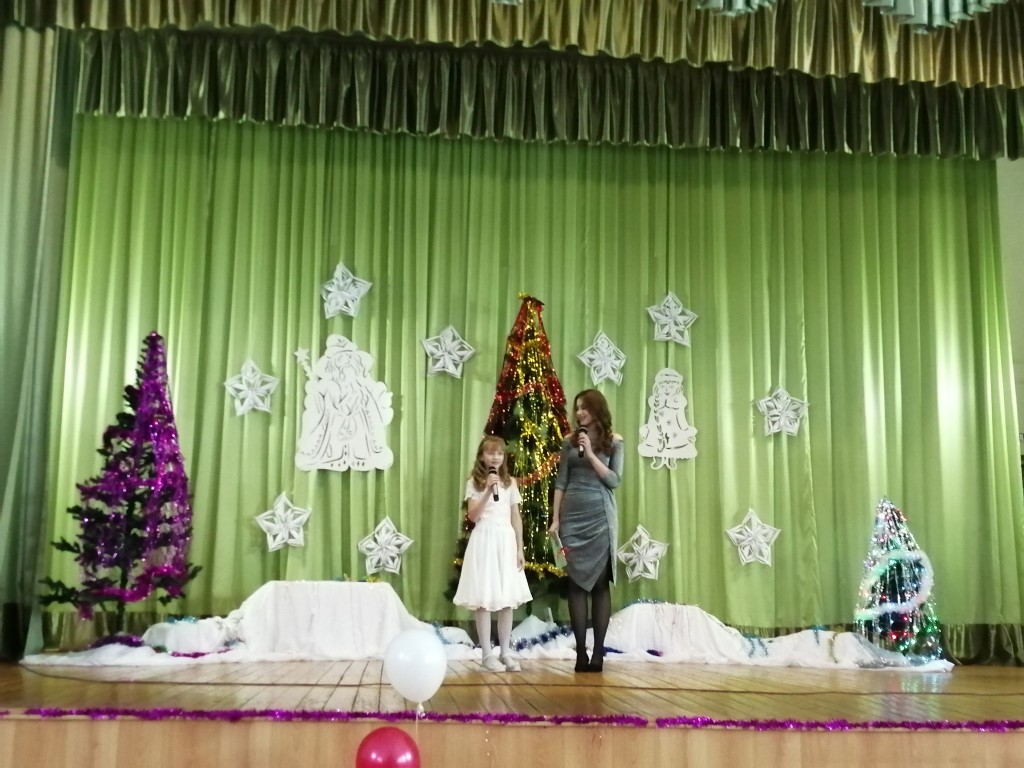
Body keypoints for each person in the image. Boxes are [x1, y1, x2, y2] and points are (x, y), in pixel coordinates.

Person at [549, 389, 623, 673]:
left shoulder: (614, 441)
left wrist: (590, 453)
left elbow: (614, 480)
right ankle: (580, 652)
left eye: (584, 407)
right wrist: (555, 519)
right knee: (576, 585)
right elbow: (561, 482)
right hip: (571, 517)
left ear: (597, 409)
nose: (579, 412)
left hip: (600, 517)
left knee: (601, 585)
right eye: (577, 408)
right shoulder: (569, 442)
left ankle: (598, 653)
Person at [453, 435, 533, 672]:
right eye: (490, 453)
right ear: (481, 456)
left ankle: (506, 652)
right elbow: (473, 516)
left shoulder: (510, 483)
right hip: (484, 540)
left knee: (507, 600)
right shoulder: (474, 482)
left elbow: (515, 516)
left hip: (505, 541)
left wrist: (519, 548)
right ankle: (487, 654)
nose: (495, 457)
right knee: (484, 600)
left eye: (499, 453)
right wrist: (488, 491)